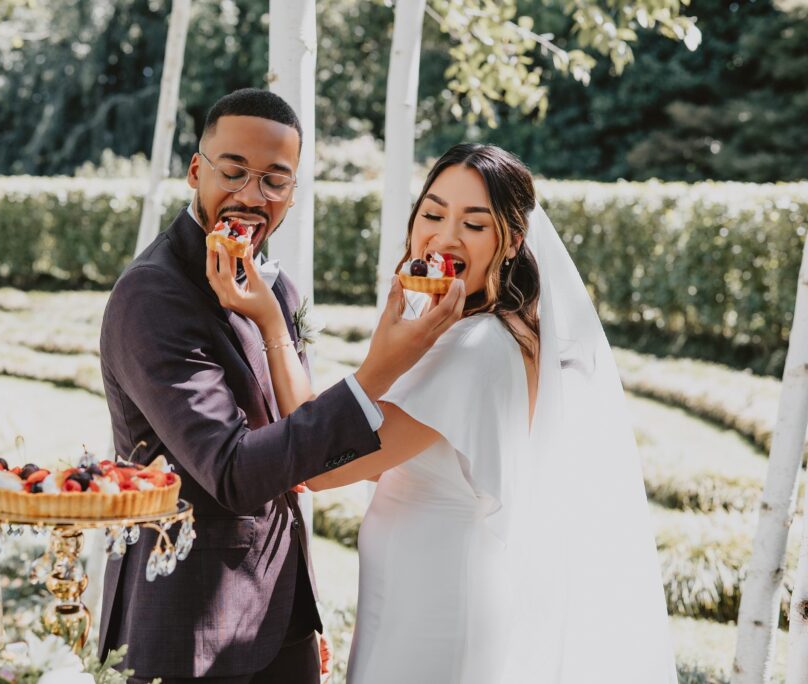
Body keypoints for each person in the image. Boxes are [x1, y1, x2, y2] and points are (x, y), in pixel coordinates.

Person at [211, 143, 677, 683]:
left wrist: (272, 324)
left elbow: (320, 468)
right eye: (432, 214)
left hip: (435, 604)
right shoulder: (476, 330)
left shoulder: (475, 351)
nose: (445, 236)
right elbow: (349, 429)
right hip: (416, 591)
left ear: (512, 241)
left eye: (474, 224)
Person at [98, 88, 465, 684]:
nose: (250, 196)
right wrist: (377, 373)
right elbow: (235, 472)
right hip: (189, 625)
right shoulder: (152, 297)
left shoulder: (280, 291)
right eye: (234, 172)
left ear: (293, 193)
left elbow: (302, 444)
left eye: (275, 180)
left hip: (280, 616)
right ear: (196, 170)